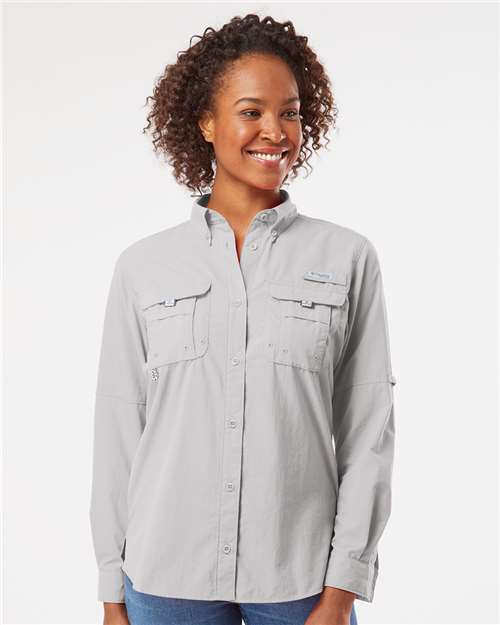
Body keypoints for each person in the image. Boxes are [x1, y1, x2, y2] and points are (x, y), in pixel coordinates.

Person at [89, 13, 396, 625]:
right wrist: (110, 588)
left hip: (300, 579)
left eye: (291, 113)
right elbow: (119, 429)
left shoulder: (347, 257)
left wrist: (343, 588)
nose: (275, 131)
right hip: (165, 577)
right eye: (251, 111)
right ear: (206, 122)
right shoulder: (143, 266)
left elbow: (368, 430)